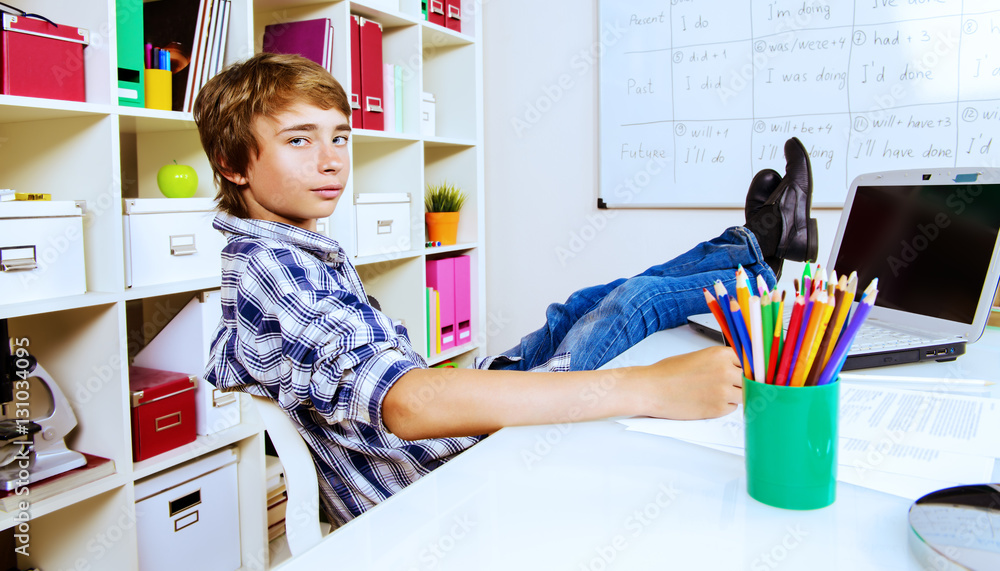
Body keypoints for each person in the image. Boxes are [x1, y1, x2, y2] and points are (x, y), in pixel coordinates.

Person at [194, 53, 818, 526]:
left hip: (458, 436)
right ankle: (762, 247)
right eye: (299, 140)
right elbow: (406, 403)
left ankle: (756, 240)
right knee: (634, 307)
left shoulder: (282, 251)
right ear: (234, 162)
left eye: (339, 137)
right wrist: (653, 388)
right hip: (455, 473)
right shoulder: (274, 268)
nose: (331, 160)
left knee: (591, 300)